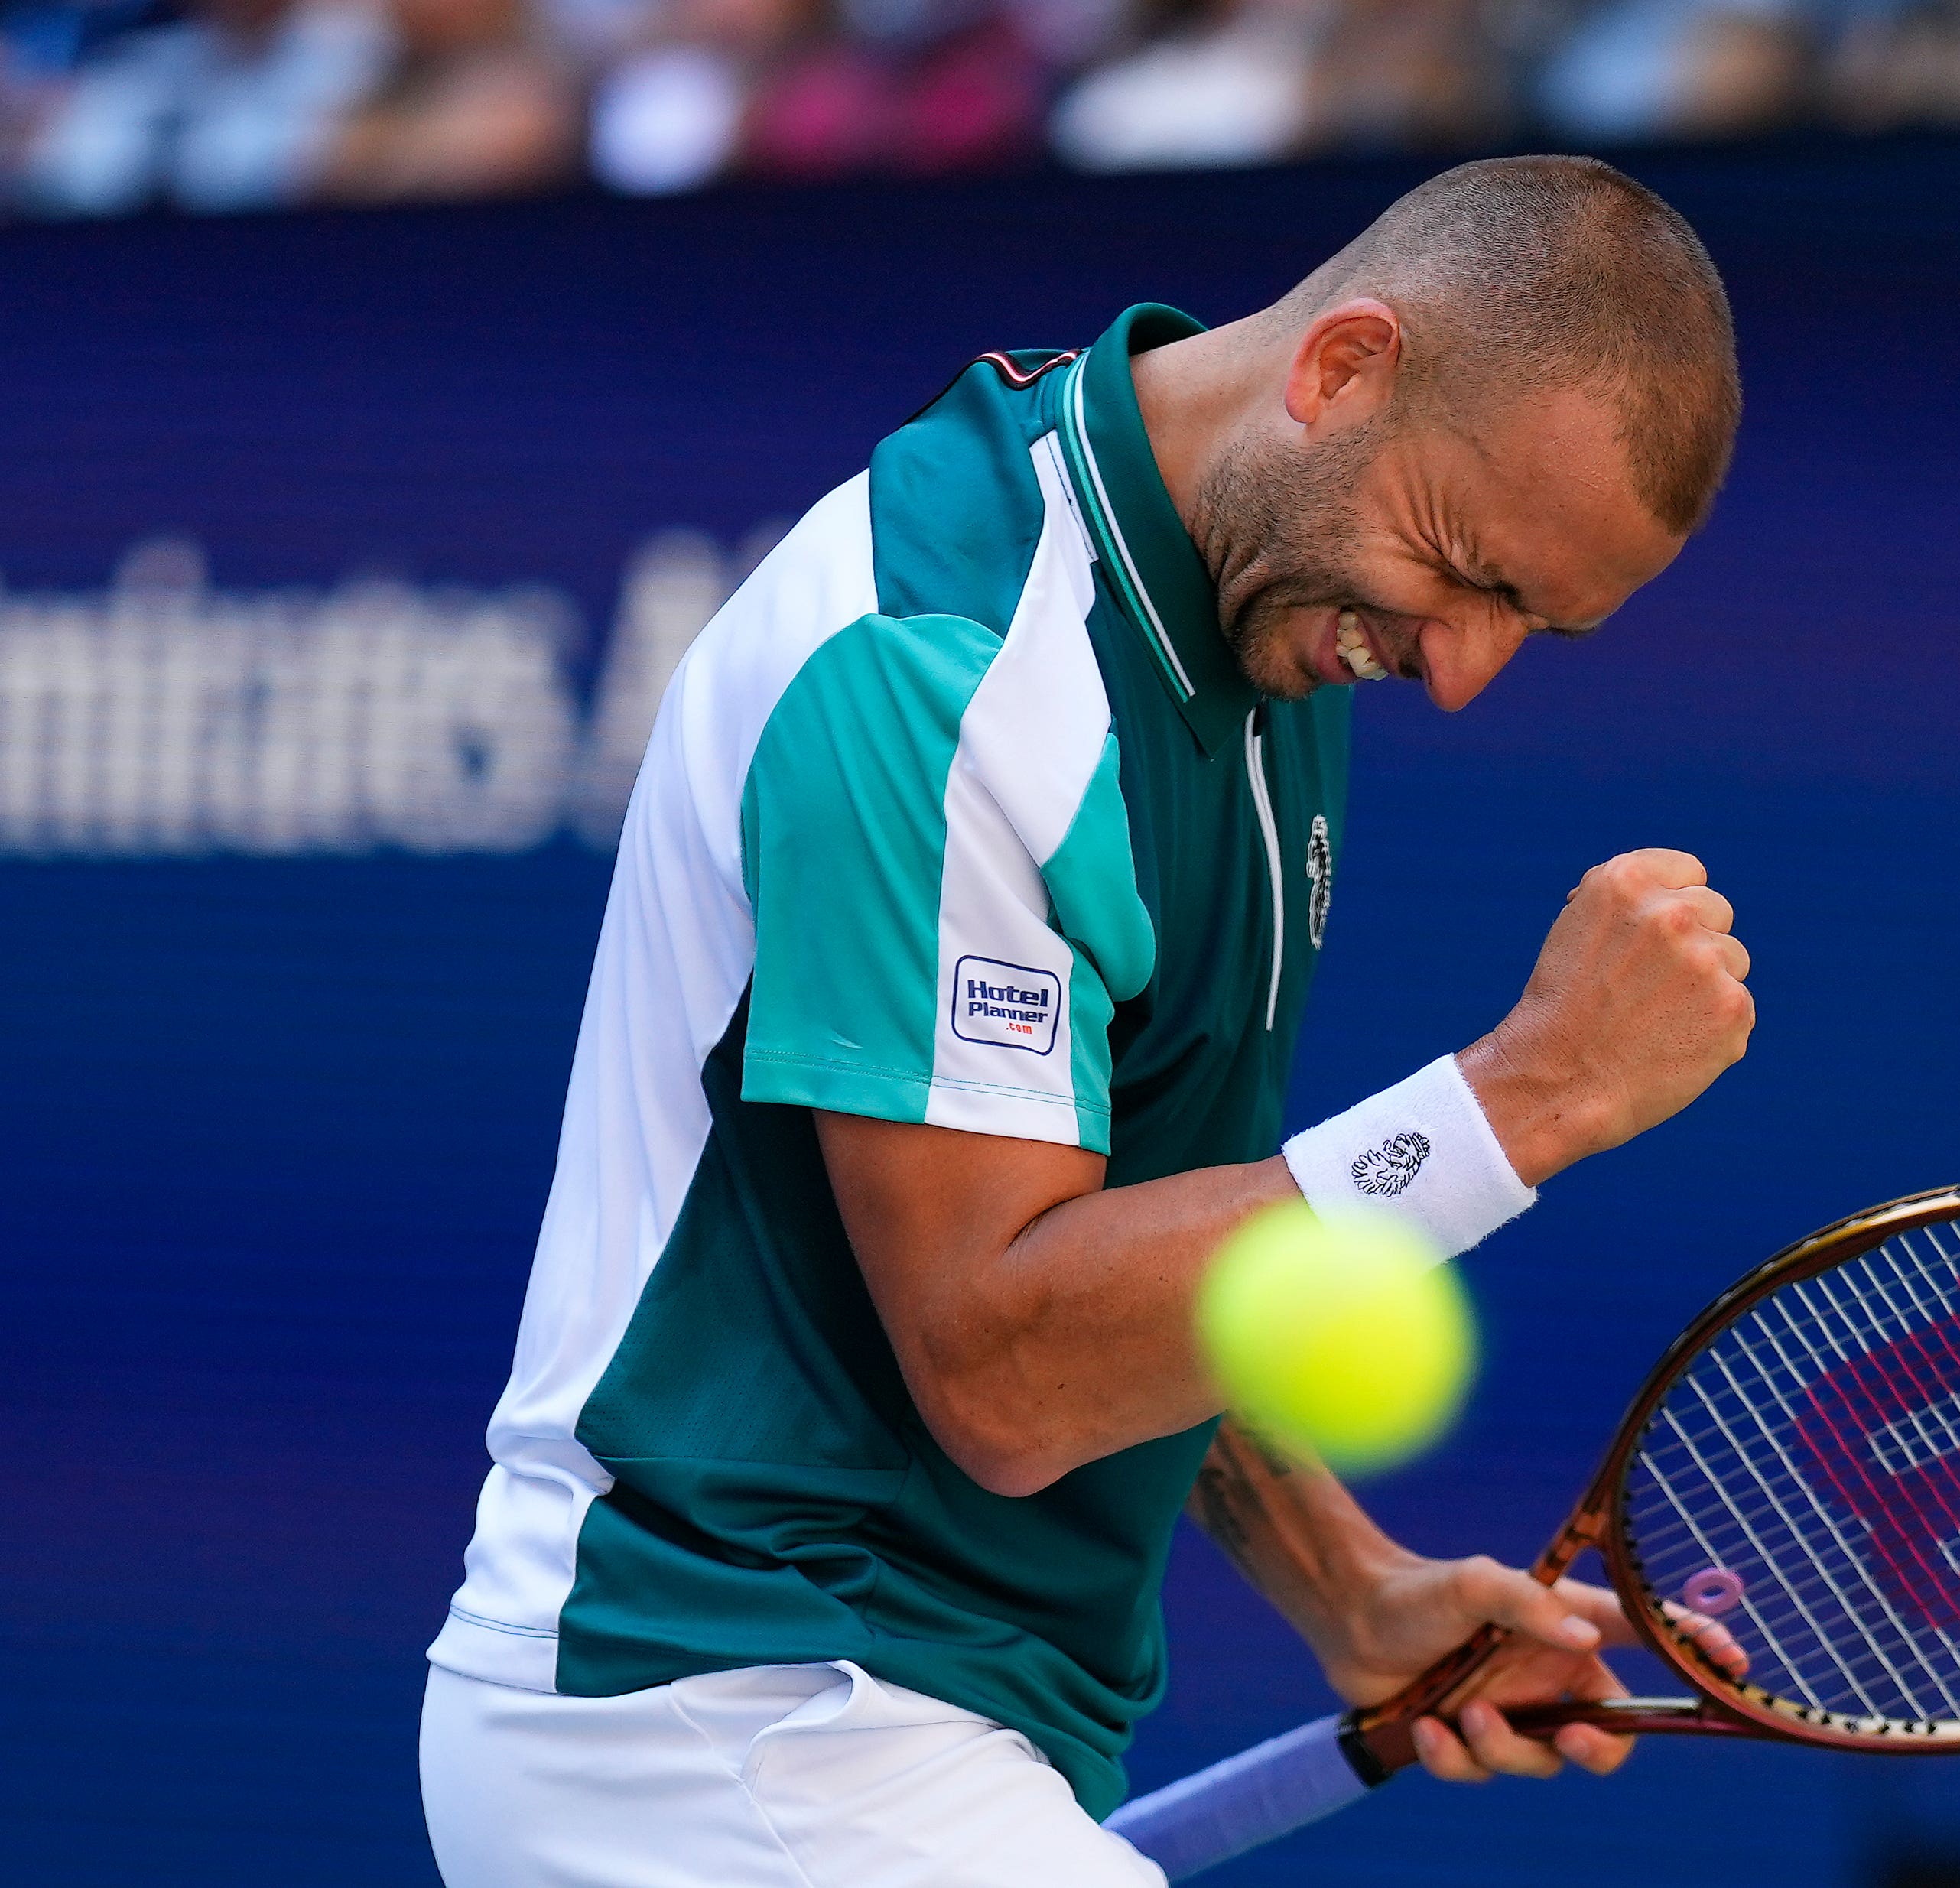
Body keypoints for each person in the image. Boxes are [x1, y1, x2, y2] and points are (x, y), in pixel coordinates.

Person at [419, 152, 1750, 1887]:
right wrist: (1523, 1099)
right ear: (1341, 368)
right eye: (1469, 569)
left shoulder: (1274, 601)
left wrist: (1347, 1583)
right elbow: (1008, 1361)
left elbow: (1121, 1242)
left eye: (1535, 626)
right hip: (723, 1709)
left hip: (899, 1724)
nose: (1463, 667)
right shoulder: (947, 669)